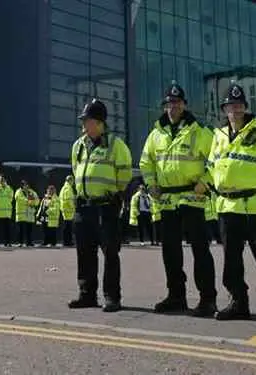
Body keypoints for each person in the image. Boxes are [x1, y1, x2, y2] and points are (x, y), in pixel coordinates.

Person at [208, 83, 256, 326]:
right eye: (231, 106)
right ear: (224, 110)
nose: (236, 110)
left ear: (246, 108)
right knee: (231, 260)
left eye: (240, 105)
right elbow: (212, 166)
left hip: (254, 205)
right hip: (227, 207)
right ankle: (238, 303)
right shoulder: (219, 136)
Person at [139, 82, 217, 317]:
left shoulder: (199, 131)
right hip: (167, 199)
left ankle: (207, 299)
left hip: (192, 197)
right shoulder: (156, 134)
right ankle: (176, 296)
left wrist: (206, 181)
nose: (172, 107)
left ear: (184, 105)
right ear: (165, 107)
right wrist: (151, 183)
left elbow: (216, 158)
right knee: (170, 251)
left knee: (200, 249)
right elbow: (146, 161)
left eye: (177, 103)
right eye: (169, 104)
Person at [67, 98, 132, 312]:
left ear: (100, 122)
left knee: (110, 253)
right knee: (84, 253)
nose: (84, 125)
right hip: (84, 206)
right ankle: (87, 294)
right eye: (84, 121)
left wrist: (115, 197)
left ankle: (112, 297)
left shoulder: (116, 145)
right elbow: (76, 171)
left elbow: (124, 175)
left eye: (88, 120)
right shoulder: (78, 146)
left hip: (106, 206)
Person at [14, 180, 39, 247]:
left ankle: (29, 242)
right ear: (22, 186)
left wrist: (33, 203)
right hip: (21, 214)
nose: (26, 186)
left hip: (30, 215)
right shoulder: (18, 192)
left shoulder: (32, 192)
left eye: (27, 184)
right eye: (24, 185)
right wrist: (29, 201)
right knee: (21, 230)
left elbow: (37, 201)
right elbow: (19, 199)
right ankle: (20, 242)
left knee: (29, 230)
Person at [59, 175, 76, 246]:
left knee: (66, 227)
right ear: (70, 180)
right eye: (72, 181)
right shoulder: (68, 188)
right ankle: (68, 242)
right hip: (68, 210)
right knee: (68, 227)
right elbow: (69, 200)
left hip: (64, 209)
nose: (73, 183)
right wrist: (73, 208)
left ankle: (66, 241)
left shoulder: (63, 188)